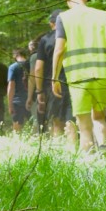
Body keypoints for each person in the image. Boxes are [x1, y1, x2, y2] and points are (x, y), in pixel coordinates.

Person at [52, 0, 106, 152]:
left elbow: (58, 50)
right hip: (102, 74)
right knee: (99, 117)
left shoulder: (63, 18)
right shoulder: (102, 15)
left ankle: (88, 157)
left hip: (77, 76)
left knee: (84, 123)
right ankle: (102, 147)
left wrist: (54, 77)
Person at [34, 10, 76, 142]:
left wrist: (39, 90)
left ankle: (58, 151)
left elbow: (38, 68)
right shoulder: (73, 37)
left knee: (56, 120)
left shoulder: (45, 40)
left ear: (51, 23)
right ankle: (73, 150)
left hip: (53, 84)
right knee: (72, 119)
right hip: (75, 80)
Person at [6, 48, 29, 133]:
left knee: (17, 127)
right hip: (32, 100)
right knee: (36, 125)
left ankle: (18, 144)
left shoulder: (13, 67)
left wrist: (10, 104)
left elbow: (11, 86)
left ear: (14, 56)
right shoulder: (31, 65)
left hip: (17, 101)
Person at [26, 39, 42, 131]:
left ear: (31, 47)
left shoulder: (34, 57)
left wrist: (29, 97)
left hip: (38, 92)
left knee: (37, 119)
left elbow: (32, 76)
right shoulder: (48, 55)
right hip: (51, 90)